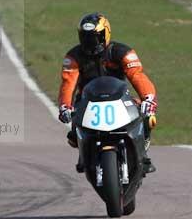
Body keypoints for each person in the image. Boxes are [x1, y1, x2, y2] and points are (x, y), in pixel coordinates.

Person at [57, 13, 158, 174]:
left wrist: (148, 99)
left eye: (95, 38)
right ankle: (84, 156)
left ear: (106, 34)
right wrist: (64, 107)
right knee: (73, 133)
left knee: (147, 117)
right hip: (87, 100)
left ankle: (143, 156)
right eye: (86, 38)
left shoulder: (121, 52)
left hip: (120, 97)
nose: (90, 43)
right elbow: (68, 82)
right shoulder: (74, 56)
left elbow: (137, 75)